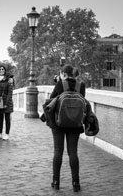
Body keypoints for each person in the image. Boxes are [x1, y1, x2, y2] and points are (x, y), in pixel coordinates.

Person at [49, 64, 86, 192]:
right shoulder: (81, 85)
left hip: (59, 123)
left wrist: (58, 83)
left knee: (58, 151)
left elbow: (51, 100)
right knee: (73, 152)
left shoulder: (60, 84)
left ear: (63, 74)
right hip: (75, 124)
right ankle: (76, 182)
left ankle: (56, 181)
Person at [0, 65, 14, 140]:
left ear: (5, 70)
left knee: (7, 118)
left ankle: (7, 134)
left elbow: (10, 92)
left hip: (7, 100)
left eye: (3, 69)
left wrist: (7, 103)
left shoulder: (9, 79)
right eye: (0, 69)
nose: (1, 70)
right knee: (0, 118)